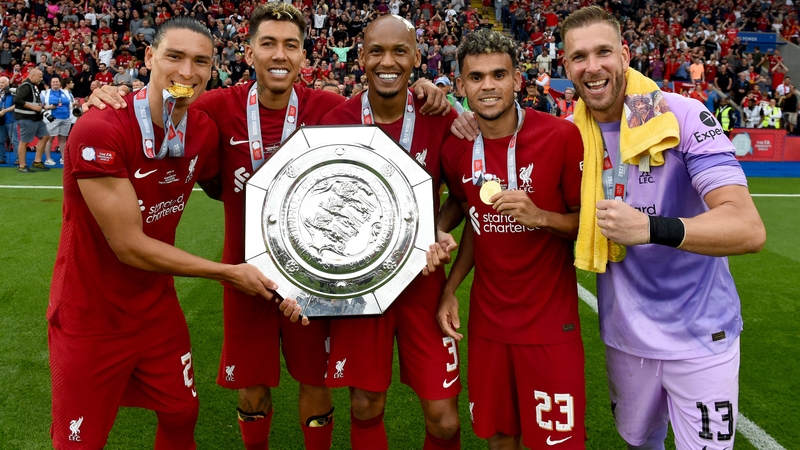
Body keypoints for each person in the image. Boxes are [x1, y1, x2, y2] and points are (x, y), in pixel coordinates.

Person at [84, 5, 449, 449]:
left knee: (315, 382)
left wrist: (428, 89)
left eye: (291, 45)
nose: (280, 54)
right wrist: (113, 94)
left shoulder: (330, 109)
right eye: (268, 43)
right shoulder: (217, 107)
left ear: (303, 56)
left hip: (313, 276)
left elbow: (385, 106)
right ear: (249, 52)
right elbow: (167, 99)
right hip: (245, 276)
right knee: (251, 389)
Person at [48, 17, 304, 449]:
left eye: (200, 61)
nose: (187, 71)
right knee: (80, 442)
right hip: (90, 317)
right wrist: (228, 272)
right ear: (149, 57)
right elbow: (129, 246)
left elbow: (228, 184)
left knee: (181, 414)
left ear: (212, 69)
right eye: (174, 56)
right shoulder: (101, 128)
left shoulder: (201, 130)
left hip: (157, 312)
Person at [561, 6, 765, 450]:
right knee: (640, 444)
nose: (592, 67)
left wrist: (652, 228)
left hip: (702, 336)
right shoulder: (567, 135)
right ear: (566, 66)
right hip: (626, 338)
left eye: (603, 52)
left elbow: (748, 227)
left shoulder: (681, 115)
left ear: (625, 55)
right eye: (579, 57)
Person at [438, 28, 586, 450]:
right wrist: (450, 289)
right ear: (462, 85)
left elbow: (588, 226)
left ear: (518, 80)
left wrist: (540, 217)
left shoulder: (560, 136)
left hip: (549, 324)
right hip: (488, 326)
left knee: (555, 444)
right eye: (476, 77)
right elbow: (474, 219)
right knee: (500, 437)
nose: (488, 86)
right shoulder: (455, 149)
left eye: (498, 75)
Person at [319, 14, 462, 450]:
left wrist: (435, 230)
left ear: (417, 57)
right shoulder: (335, 122)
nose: (388, 62)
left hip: (424, 283)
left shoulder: (440, 117)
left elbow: (461, 197)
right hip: (361, 288)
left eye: (400, 51)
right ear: (361, 57)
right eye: (377, 51)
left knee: (444, 419)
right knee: (365, 404)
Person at [13, 68, 51, 173]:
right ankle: (22, 166)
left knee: (45, 136)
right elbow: (17, 100)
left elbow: (31, 100)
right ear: (32, 75)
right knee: (24, 141)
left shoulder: (33, 86)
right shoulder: (26, 86)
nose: (41, 78)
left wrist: (39, 106)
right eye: (39, 76)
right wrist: (33, 107)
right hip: (27, 118)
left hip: (36, 117)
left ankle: (37, 161)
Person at [40, 75, 74, 165]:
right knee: (49, 138)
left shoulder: (66, 92)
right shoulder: (45, 93)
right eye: (53, 82)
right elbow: (39, 105)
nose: (55, 83)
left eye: (57, 82)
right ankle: (48, 159)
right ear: (50, 83)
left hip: (66, 118)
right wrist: (48, 107)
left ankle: (64, 158)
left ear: (60, 83)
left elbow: (71, 103)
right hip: (52, 118)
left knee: (63, 139)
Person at [0, 76, 17, 164]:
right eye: (0, 82)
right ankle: (2, 158)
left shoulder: (13, 92)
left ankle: (18, 159)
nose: (1, 84)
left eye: (3, 82)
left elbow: (16, 105)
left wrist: (5, 110)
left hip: (11, 119)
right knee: (0, 141)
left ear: (8, 83)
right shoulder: (0, 93)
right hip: (1, 120)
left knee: (14, 141)